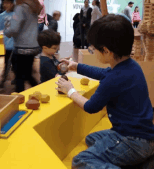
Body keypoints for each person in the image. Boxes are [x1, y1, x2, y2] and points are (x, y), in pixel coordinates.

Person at [56, 14, 154, 169]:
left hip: (133, 141)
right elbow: (103, 73)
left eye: (94, 49)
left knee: (81, 160)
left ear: (107, 51)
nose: (93, 51)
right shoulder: (130, 66)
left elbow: (91, 107)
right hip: (142, 134)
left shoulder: (114, 79)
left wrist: (70, 91)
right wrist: (76, 66)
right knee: (91, 139)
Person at [4, 0, 42, 93]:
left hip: (22, 48)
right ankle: (40, 93)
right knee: (28, 75)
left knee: (20, 78)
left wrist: (6, 30)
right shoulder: (32, 5)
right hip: (32, 47)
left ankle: (18, 103)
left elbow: (14, 29)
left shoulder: (20, 7)